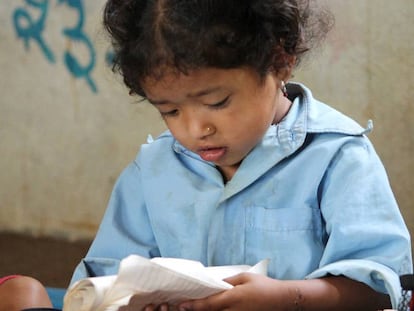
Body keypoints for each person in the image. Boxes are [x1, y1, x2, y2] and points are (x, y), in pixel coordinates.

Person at [70, 0, 412, 310]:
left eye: (217, 103)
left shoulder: (337, 156)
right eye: (170, 111)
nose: (195, 129)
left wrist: (288, 298)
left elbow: (382, 287)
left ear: (280, 61)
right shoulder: (153, 169)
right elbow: (104, 278)